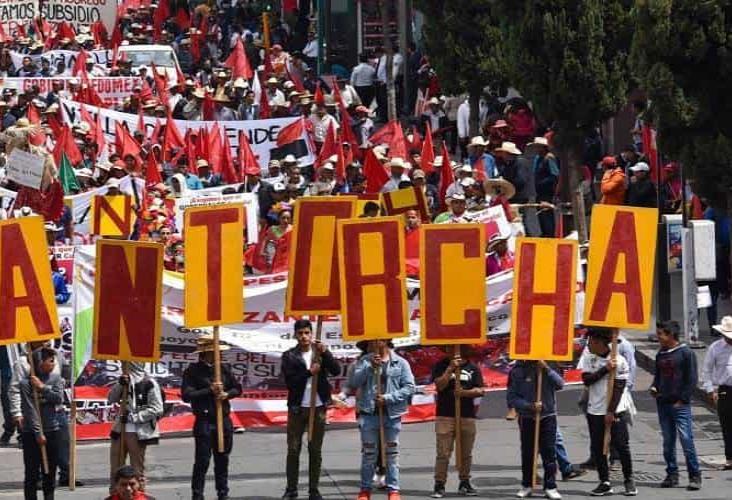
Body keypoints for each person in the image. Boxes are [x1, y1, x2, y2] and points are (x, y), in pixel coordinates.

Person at [281, 319, 341, 500]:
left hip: (318, 407)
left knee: (315, 450)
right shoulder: (289, 356)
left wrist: (326, 353)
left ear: (311, 333)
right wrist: (309, 372)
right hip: (297, 408)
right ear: (295, 335)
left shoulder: (319, 353)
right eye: (300, 333)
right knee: (293, 449)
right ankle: (291, 489)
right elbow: (289, 382)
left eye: (307, 333)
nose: (304, 337)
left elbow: (336, 371)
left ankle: (314, 489)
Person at [350, 339, 415, 500]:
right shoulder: (365, 361)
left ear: (385, 341)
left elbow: (409, 387)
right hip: (369, 414)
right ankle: (365, 490)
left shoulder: (400, 363)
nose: (372, 344)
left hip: (392, 415)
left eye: (375, 341)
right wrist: (369, 367)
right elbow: (354, 382)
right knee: (369, 454)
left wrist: (388, 398)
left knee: (392, 454)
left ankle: (393, 490)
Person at [182, 335, 243, 500]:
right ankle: (197, 495)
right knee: (202, 461)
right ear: (205, 354)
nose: (218, 356)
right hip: (204, 422)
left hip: (223, 421)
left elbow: (237, 388)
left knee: (222, 460)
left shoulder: (224, 369)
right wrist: (210, 390)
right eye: (214, 352)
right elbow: (187, 395)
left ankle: (223, 493)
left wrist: (226, 394)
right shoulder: (192, 371)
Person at [578, 328, 637, 497]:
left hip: (616, 410)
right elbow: (587, 380)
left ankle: (629, 479)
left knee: (621, 446)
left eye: (590, 341)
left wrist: (611, 411)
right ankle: (604, 481)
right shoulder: (590, 358)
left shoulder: (619, 360)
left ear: (599, 342)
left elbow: (619, 388)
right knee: (598, 447)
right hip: (594, 410)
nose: (588, 344)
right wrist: (605, 369)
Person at [650, 321, 702, 490]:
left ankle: (694, 475)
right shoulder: (660, 354)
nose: (658, 338)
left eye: (661, 335)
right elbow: (657, 376)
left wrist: (682, 400)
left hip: (680, 405)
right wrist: (655, 388)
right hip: (663, 404)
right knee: (668, 441)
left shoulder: (686, 353)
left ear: (670, 335)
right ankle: (672, 474)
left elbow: (692, 379)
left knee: (686, 440)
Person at [430, 346, 485, 498]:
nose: (452, 351)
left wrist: (465, 393)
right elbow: (439, 385)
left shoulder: (472, 368)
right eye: (448, 348)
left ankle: (465, 482)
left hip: (466, 416)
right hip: (445, 416)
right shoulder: (441, 365)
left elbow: (481, 390)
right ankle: (439, 484)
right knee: (443, 452)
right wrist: (450, 369)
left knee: (465, 453)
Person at [11, 347, 64, 500]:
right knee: (32, 474)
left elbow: (59, 398)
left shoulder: (56, 379)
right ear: (39, 363)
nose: (53, 364)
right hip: (31, 433)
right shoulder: (26, 383)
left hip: (52, 430)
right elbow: (30, 409)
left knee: (50, 472)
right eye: (50, 361)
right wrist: (37, 432)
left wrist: (42, 388)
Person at [508, 360, 564, 500]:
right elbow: (512, 397)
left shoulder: (551, 364)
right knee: (528, 453)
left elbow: (560, 384)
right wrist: (528, 406)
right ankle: (526, 485)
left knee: (549, 453)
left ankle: (550, 486)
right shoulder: (517, 369)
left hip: (548, 416)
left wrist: (546, 368)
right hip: (527, 417)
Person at [107, 363, 164, 490]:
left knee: (137, 471)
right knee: (115, 469)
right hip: (119, 431)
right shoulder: (123, 382)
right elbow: (111, 398)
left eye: (126, 363)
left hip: (138, 433)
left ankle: (138, 495)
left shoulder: (149, 383)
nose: (123, 366)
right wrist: (120, 384)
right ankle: (115, 494)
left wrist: (134, 417)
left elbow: (157, 408)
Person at [702, 315, 732, 470]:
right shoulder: (716, 348)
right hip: (725, 390)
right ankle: (730, 458)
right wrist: (710, 389)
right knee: (727, 425)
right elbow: (707, 370)